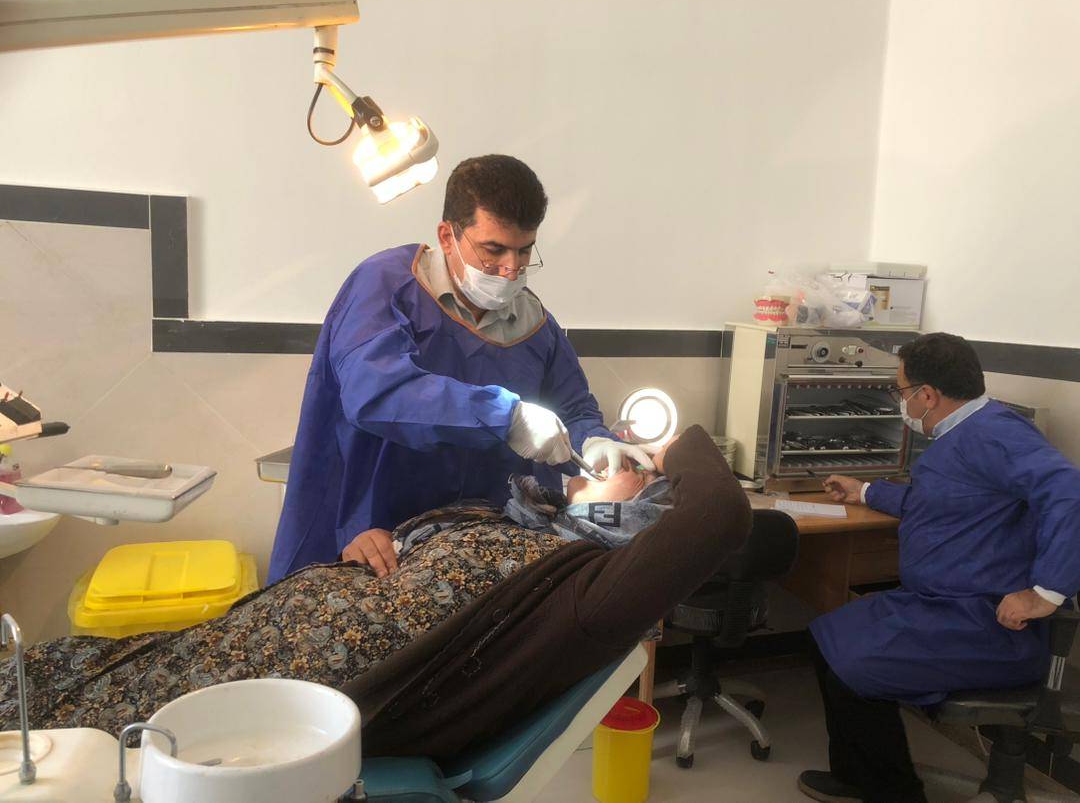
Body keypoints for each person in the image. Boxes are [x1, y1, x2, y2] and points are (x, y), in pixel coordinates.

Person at [0, 427, 749, 760]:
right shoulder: (521, 520)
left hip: (294, 694)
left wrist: (670, 442)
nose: (610, 459)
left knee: (63, 741)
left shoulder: (586, 586)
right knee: (58, 673)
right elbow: (421, 559)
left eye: (631, 468)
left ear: (641, 516)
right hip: (244, 637)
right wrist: (377, 541)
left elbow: (721, 513)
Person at [268, 154, 652, 583]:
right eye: (494, 250)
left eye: (524, 250)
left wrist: (593, 439)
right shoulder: (386, 287)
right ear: (447, 236)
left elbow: (573, 409)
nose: (511, 268)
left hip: (477, 554)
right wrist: (505, 416)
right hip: (372, 535)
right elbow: (378, 393)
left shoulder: (535, 326)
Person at [798, 333, 1080, 803]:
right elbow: (940, 501)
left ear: (926, 394)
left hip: (986, 623)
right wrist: (865, 491)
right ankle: (857, 777)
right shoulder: (962, 434)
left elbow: (1070, 491)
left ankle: (895, 793)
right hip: (939, 606)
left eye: (900, 390)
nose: (901, 402)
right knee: (824, 637)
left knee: (855, 668)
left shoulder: (995, 432)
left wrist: (1046, 592)